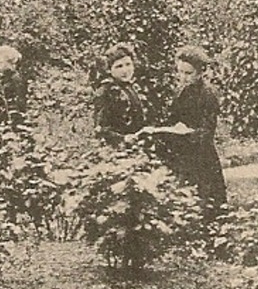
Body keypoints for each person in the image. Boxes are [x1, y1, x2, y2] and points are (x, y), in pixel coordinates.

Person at [161, 45, 227, 211]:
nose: (183, 77)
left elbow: (207, 131)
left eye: (188, 73)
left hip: (202, 158)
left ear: (200, 72)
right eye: (180, 72)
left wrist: (188, 133)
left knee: (207, 202)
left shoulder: (207, 95)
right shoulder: (180, 93)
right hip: (182, 156)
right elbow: (173, 118)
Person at [94, 42, 147, 146]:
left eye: (128, 64)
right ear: (109, 70)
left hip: (137, 143)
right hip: (116, 147)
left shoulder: (131, 87)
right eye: (119, 66)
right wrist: (122, 138)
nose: (125, 70)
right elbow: (100, 128)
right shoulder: (106, 91)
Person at [0, 43, 29, 114]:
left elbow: (19, 98)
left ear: (9, 63)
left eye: (0, 62)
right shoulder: (4, 77)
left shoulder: (15, 78)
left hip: (14, 111)